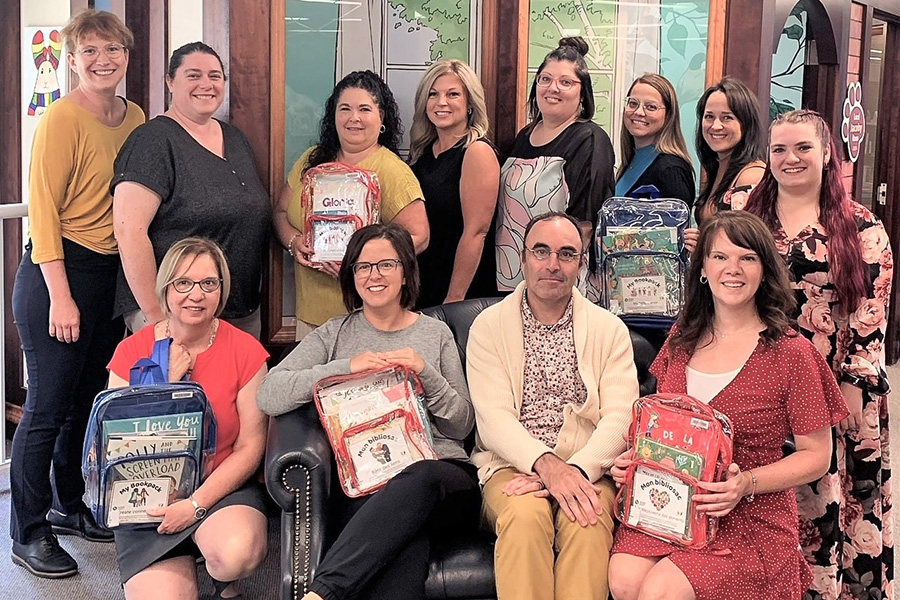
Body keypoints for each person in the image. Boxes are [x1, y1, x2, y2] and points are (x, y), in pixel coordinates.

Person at [608, 210, 848, 600]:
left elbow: (818, 456)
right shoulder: (682, 336)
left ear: (764, 270)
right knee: (624, 580)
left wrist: (744, 485)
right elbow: (659, 426)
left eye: (747, 258)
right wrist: (633, 461)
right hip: (669, 505)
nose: (732, 269)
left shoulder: (792, 353)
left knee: (660, 592)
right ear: (703, 267)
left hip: (749, 512)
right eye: (720, 257)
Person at [257, 223, 477, 600]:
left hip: (441, 479)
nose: (374, 275)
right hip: (366, 483)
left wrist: (426, 374)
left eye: (386, 265)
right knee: (403, 548)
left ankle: (322, 593)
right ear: (352, 276)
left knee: (418, 478)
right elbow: (269, 394)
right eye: (363, 266)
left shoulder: (435, 334)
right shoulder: (335, 334)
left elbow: (460, 425)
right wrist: (344, 369)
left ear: (406, 272)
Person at [9, 9, 145, 579]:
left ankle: (69, 505)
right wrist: (61, 297)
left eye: (111, 49)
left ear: (126, 56)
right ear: (71, 60)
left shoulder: (134, 115)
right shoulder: (61, 120)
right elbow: (42, 215)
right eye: (88, 51)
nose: (102, 60)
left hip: (107, 276)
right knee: (44, 409)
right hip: (55, 274)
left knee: (87, 401)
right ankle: (28, 531)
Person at [744, 110, 893, 600]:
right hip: (764, 379)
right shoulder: (748, 216)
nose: (790, 159)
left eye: (803, 148)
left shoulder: (861, 225)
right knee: (779, 502)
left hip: (840, 382)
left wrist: (853, 385)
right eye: (780, 149)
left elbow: (872, 312)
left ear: (827, 152)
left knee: (841, 506)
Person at [467, 212, 638, 600]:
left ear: (581, 264)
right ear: (523, 258)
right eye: (541, 251)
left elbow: (621, 416)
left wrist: (574, 470)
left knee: (588, 517)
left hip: (589, 469)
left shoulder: (609, 330)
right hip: (511, 467)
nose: (552, 264)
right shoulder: (488, 327)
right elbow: (493, 420)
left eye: (566, 254)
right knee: (525, 517)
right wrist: (548, 467)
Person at [107, 238, 269, 600]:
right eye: (184, 283)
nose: (196, 294)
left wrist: (195, 504)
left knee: (235, 554)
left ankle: (221, 572)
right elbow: (116, 448)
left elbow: (249, 447)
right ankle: (183, 562)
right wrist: (165, 384)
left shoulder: (246, 351)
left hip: (221, 485)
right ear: (166, 289)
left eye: (208, 283)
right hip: (146, 491)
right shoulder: (130, 351)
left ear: (221, 290)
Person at [112, 42, 271, 338]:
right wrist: (158, 319)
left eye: (215, 76)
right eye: (194, 75)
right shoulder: (152, 141)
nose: (206, 85)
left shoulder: (235, 139)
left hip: (239, 312)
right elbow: (129, 231)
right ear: (171, 82)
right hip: (176, 313)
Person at [273, 70, 430, 339]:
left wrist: (361, 263)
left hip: (368, 318)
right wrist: (294, 242)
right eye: (344, 108)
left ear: (381, 118)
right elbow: (280, 213)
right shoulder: (311, 160)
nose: (353, 118)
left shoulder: (392, 171)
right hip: (310, 317)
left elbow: (420, 237)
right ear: (333, 116)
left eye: (364, 109)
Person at [495, 37, 615, 299]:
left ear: (583, 92)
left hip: (559, 283)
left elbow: (586, 225)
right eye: (545, 79)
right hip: (515, 277)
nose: (553, 88)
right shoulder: (524, 137)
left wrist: (554, 278)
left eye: (566, 82)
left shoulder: (590, 140)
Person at [408, 59, 500, 308]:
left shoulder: (476, 152)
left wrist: (454, 299)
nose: (441, 102)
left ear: (470, 103)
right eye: (433, 94)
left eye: (453, 94)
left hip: (459, 292)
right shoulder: (423, 152)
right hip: (423, 283)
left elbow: (476, 232)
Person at [692, 77, 766, 224]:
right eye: (709, 117)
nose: (715, 126)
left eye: (727, 117)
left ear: (746, 123)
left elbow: (744, 242)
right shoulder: (719, 167)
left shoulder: (751, 176)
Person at [615, 73, 695, 206]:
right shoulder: (630, 162)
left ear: (668, 115)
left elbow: (677, 225)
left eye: (651, 107)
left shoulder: (672, 170)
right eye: (633, 103)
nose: (639, 112)